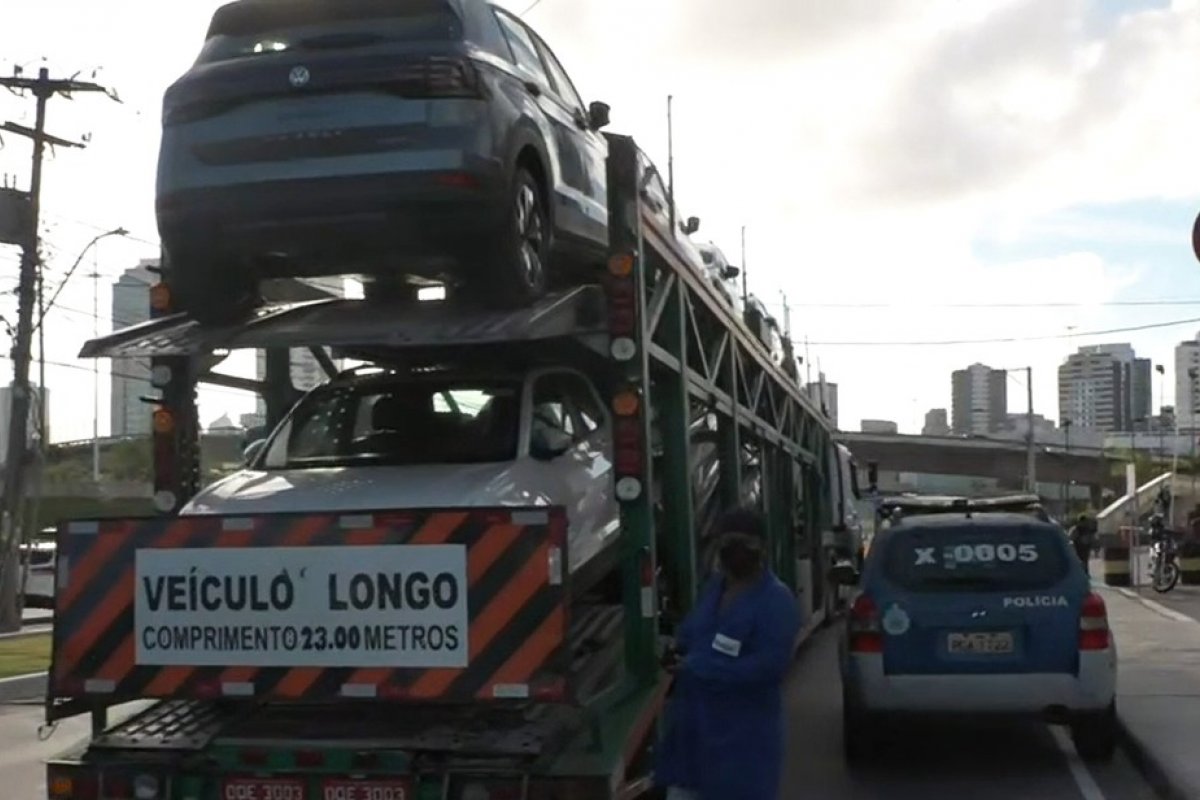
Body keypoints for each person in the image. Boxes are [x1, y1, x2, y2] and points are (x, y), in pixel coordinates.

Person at [654, 507, 801, 800]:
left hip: (742, 743)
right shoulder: (714, 589)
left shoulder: (776, 601)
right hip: (693, 739)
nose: (735, 551)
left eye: (745, 543)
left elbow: (770, 667)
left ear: (762, 548)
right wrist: (674, 647)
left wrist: (700, 667)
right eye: (727, 542)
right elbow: (693, 632)